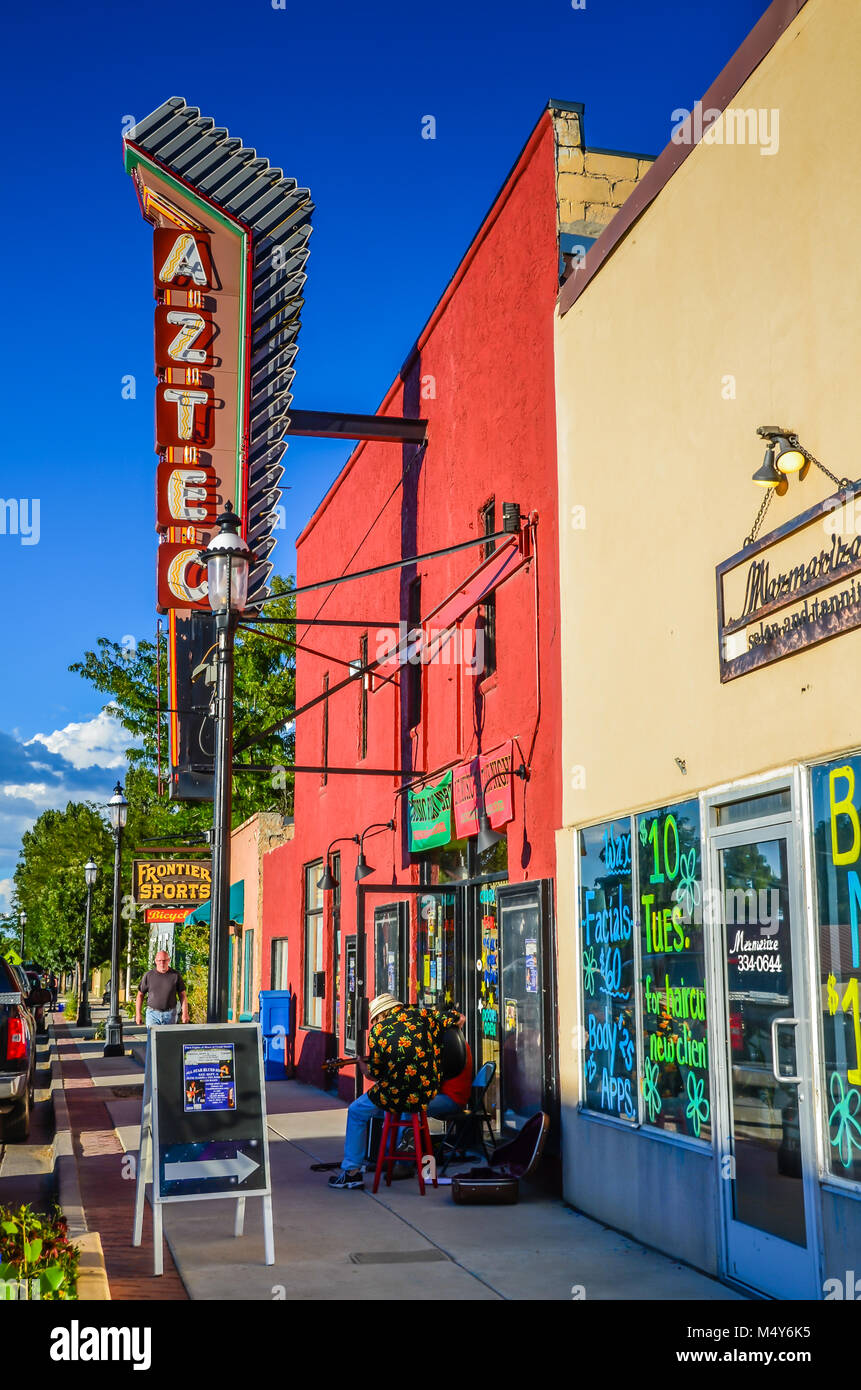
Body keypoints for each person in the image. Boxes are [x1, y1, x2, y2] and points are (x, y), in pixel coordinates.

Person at [328, 993, 464, 1190]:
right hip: (427, 1092)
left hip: (398, 1093)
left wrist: (362, 1065)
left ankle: (352, 1173)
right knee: (403, 1105)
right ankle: (401, 1152)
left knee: (357, 1111)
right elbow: (460, 1018)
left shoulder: (378, 1031)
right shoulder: (423, 1015)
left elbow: (374, 1075)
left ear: (379, 1016)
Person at [135, 951, 189, 1027]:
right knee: (152, 1038)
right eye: (159, 960)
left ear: (168, 960)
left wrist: (185, 1013)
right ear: (155, 961)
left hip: (170, 1015)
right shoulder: (148, 975)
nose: (162, 963)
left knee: (169, 1038)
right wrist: (138, 1014)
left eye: (164, 960)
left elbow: (182, 995)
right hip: (152, 1014)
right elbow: (140, 995)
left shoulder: (175, 975)